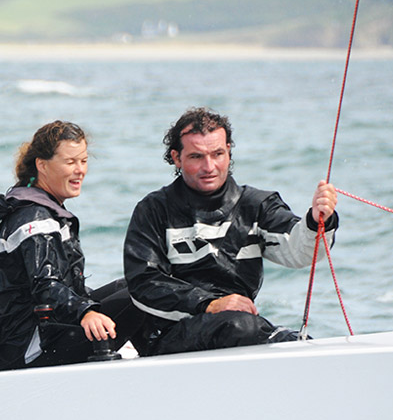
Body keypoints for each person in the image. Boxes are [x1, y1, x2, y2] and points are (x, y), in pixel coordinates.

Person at [124, 106, 339, 354]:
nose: (209, 166)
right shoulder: (153, 209)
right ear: (176, 157)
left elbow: (299, 252)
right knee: (241, 326)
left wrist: (315, 221)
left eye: (217, 154)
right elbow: (143, 284)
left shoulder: (257, 205)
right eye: (196, 157)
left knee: (254, 329)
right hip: (168, 334)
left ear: (229, 152)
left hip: (238, 328)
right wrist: (209, 304)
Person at [0, 120, 144, 370]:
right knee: (142, 295)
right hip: (28, 346)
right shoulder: (34, 218)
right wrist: (86, 312)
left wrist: (85, 307)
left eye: (84, 161)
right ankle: (158, 358)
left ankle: (147, 354)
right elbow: (46, 285)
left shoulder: (40, 206)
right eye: (70, 162)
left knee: (139, 283)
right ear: (42, 165)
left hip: (48, 326)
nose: (80, 170)